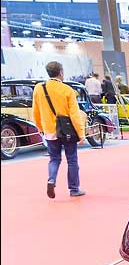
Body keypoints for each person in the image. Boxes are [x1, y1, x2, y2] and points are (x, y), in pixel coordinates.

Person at [32, 61, 86, 198]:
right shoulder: (67, 90)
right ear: (61, 72)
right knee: (72, 159)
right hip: (67, 130)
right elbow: (74, 114)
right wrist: (81, 134)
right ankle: (74, 189)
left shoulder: (39, 88)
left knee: (54, 158)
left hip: (49, 130)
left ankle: (51, 179)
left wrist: (40, 127)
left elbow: (36, 111)